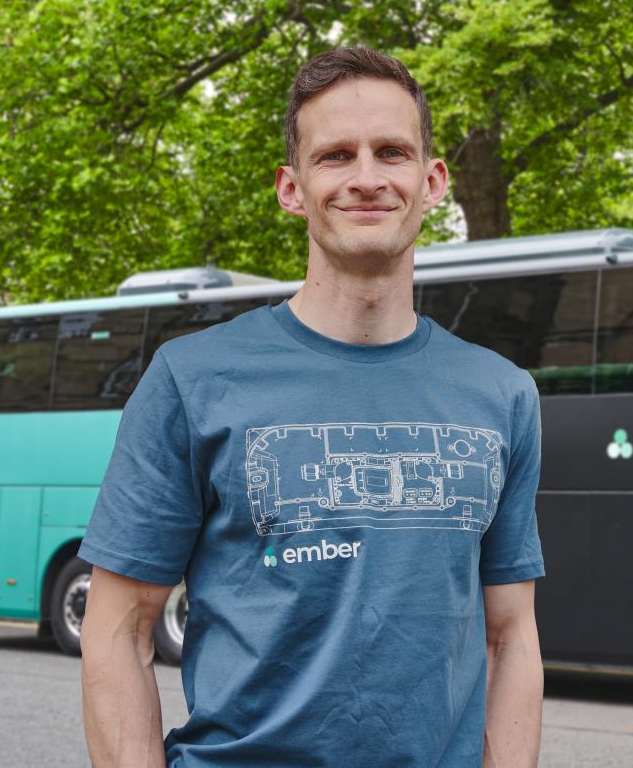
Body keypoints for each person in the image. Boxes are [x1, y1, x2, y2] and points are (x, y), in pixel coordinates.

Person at [79, 47, 545, 767]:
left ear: (432, 182)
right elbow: (119, 629)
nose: (366, 178)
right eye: (335, 156)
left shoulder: (503, 394)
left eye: (391, 152)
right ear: (292, 188)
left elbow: (509, 635)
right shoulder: (191, 379)